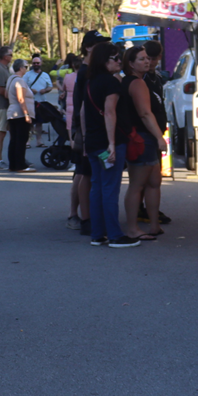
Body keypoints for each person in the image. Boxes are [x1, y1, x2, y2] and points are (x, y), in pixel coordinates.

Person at [81, 40, 137, 247]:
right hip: (108, 143)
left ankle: (97, 234)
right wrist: (112, 144)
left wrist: (86, 141)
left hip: (93, 142)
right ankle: (115, 235)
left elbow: (83, 113)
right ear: (104, 61)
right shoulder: (111, 83)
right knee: (110, 188)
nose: (119, 61)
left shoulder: (90, 82)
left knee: (97, 187)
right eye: (115, 58)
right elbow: (110, 112)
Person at [120, 47, 169, 241]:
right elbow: (145, 113)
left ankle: (154, 225)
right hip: (142, 138)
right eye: (141, 59)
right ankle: (133, 228)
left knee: (153, 182)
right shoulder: (136, 83)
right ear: (131, 63)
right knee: (138, 184)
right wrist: (159, 137)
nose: (147, 61)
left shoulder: (134, 81)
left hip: (143, 138)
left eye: (148, 58)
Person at [65, 35, 100, 233]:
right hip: (84, 129)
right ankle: (78, 215)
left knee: (82, 172)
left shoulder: (89, 70)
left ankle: (79, 215)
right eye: (98, 44)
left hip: (83, 128)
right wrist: (81, 133)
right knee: (83, 173)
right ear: (88, 48)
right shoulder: (86, 72)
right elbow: (83, 107)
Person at [5, 59, 35, 173]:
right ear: (21, 68)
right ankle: (20, 165)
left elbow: (6, 94)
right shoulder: (19, 81)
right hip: (20, 114)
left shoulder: (11, 79)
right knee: (21, 140)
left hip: (12, 112)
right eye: (26, 67)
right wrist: (26, 114)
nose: (26, 69)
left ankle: (13, 164)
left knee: (14, 139)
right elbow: (21, 98)